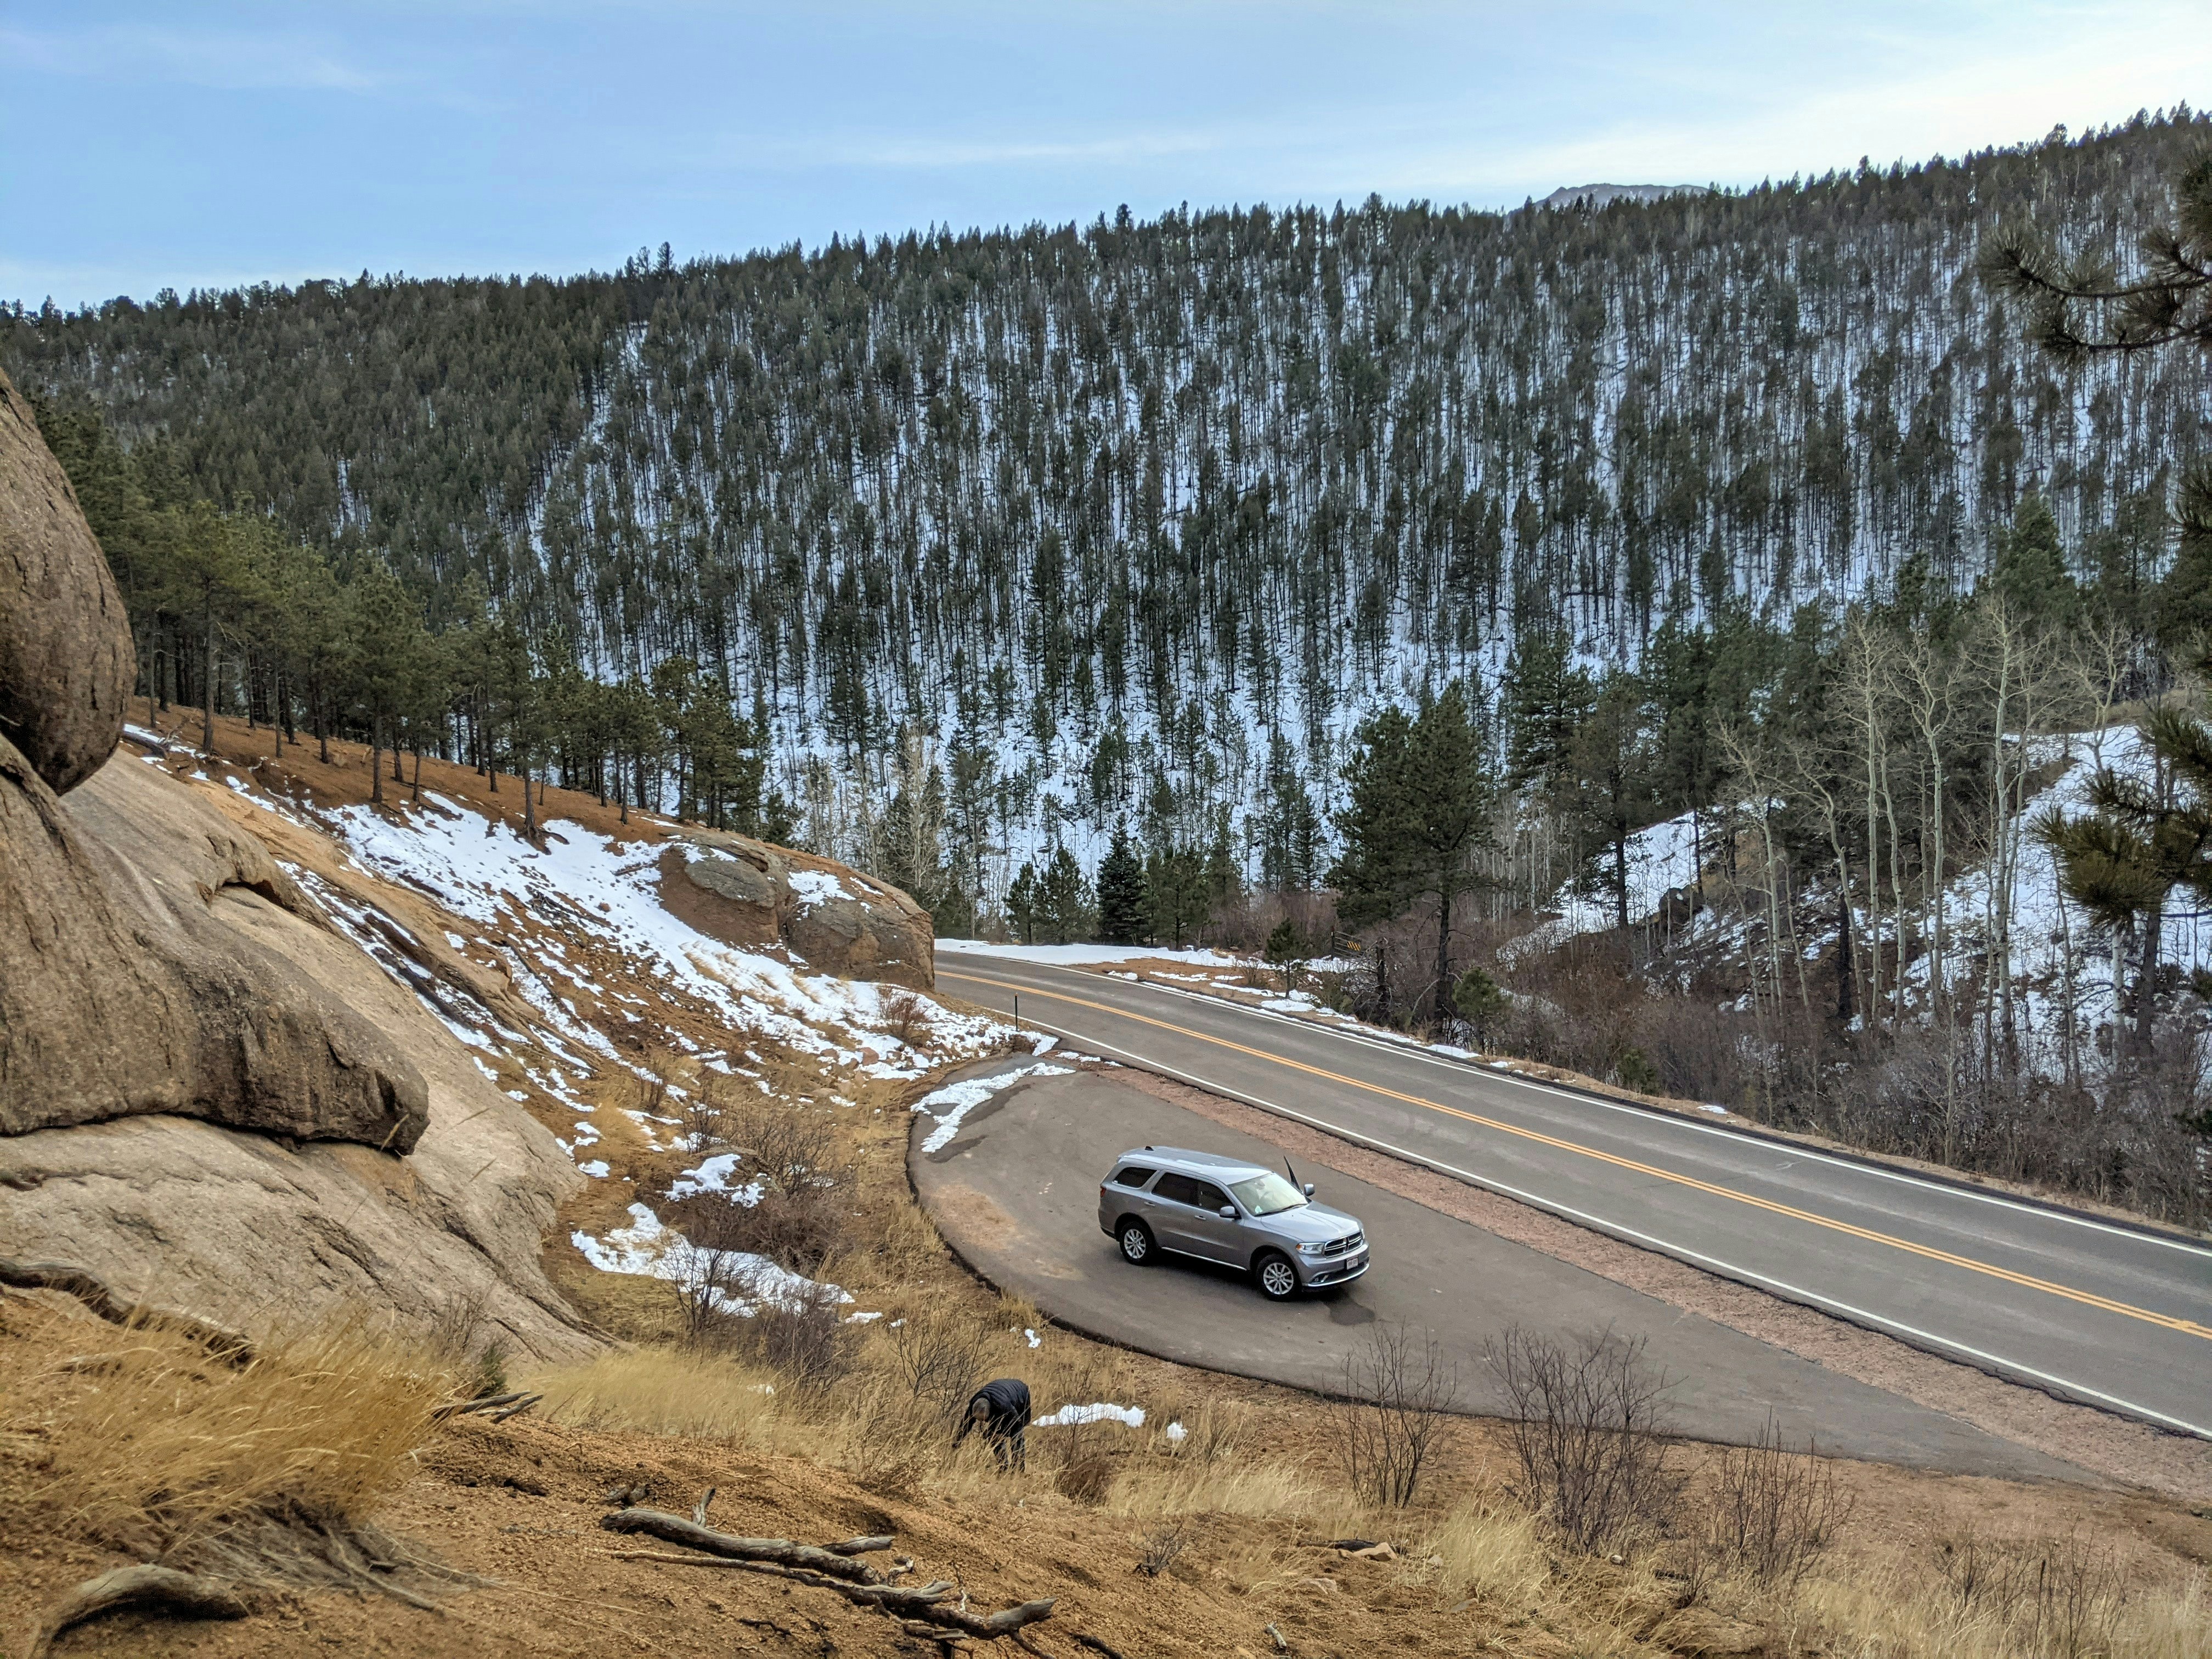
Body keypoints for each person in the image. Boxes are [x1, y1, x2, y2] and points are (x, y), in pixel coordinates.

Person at [957, 1377, 1031, 1470]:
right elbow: (966, 1424)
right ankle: (1003, 1465)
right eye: (979, 1419)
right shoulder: (974, 1404)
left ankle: (1018, 1468)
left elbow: (1018, 1424)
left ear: (990, 1411)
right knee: (992, 1436)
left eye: (984, 1419)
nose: (982, 1422)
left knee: (1016, 1436)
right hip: (1002, 1392)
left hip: (1021, 1394)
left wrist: (999, 1433)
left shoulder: (1004, 1406)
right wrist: (957, 1442)